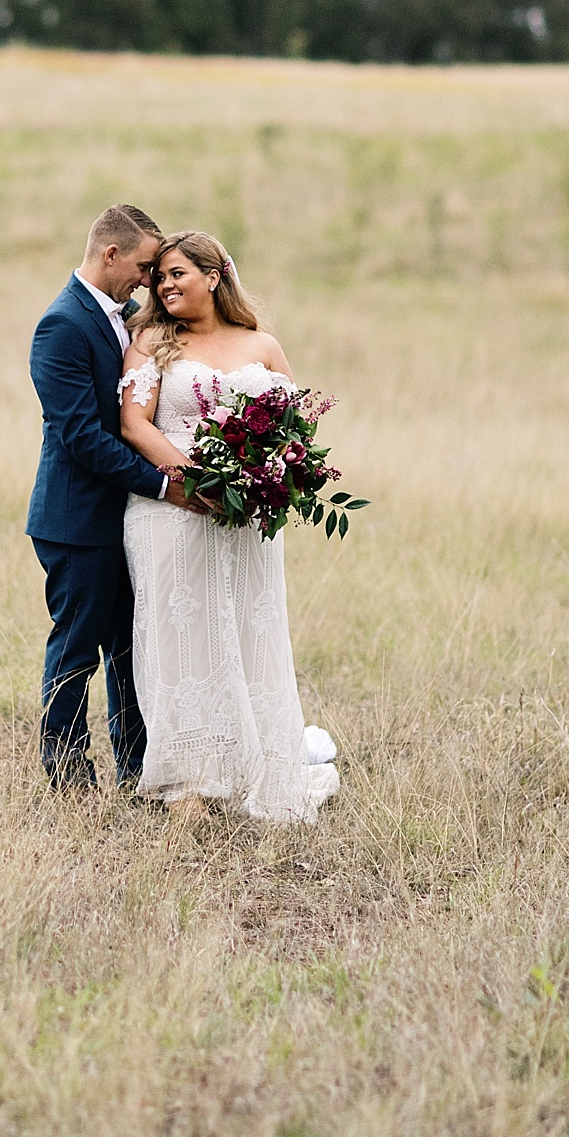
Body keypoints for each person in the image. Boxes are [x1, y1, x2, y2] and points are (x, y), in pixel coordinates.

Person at [118, 231, 340, 823]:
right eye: (159, 277)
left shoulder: (262, 346)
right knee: (180, 639)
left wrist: (273, 476)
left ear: (214, 277)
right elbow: (135, 425)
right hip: (173, 511)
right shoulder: (151, 344)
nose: (164, 286)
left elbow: (299, 429)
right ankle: (189, 785)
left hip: (248, 520)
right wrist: (194, 480)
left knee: (247, 633)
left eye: (177, 274)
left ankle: (254, 770)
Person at [25, 205, 203, 789]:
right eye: (146, 266)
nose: (150, 279)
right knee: (77, 650)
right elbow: (81, 438)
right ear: (111, 255)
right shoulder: (62, 326)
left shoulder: (127, 317)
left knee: (132, 651)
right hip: (76, 520)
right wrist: (163, 485)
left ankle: (137, 770)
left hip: (127, 519)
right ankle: (67, 775)